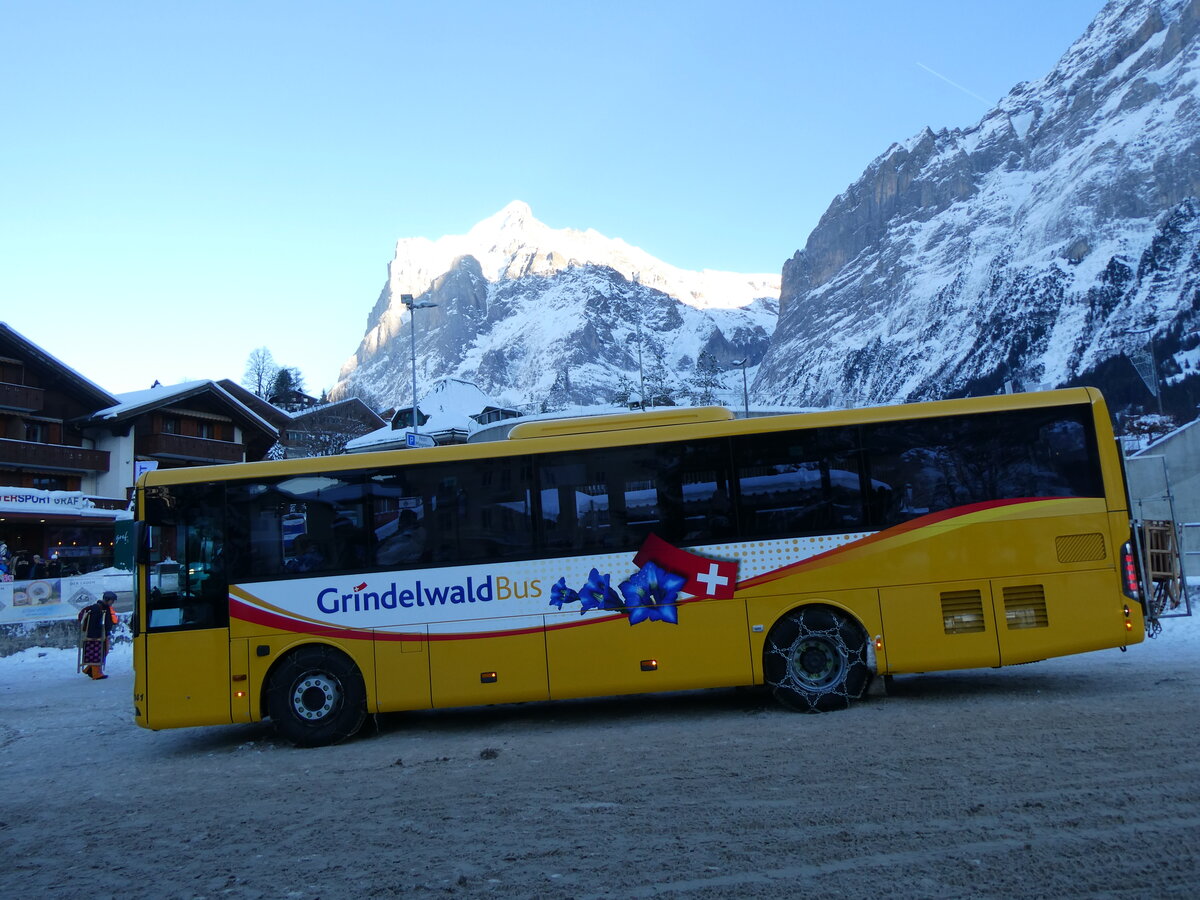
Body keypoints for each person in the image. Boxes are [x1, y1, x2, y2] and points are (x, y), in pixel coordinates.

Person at [78, 591, 119, 680]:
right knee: (98, 653)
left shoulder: (105, 607)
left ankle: (89, 669)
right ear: (107, 599)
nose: (113, 603)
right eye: (112, 600)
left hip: (103, 634)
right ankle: (96, 674)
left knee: (104, 651)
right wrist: (97, 636)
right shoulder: (97, 608)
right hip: (97, 635)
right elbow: (94, 623)